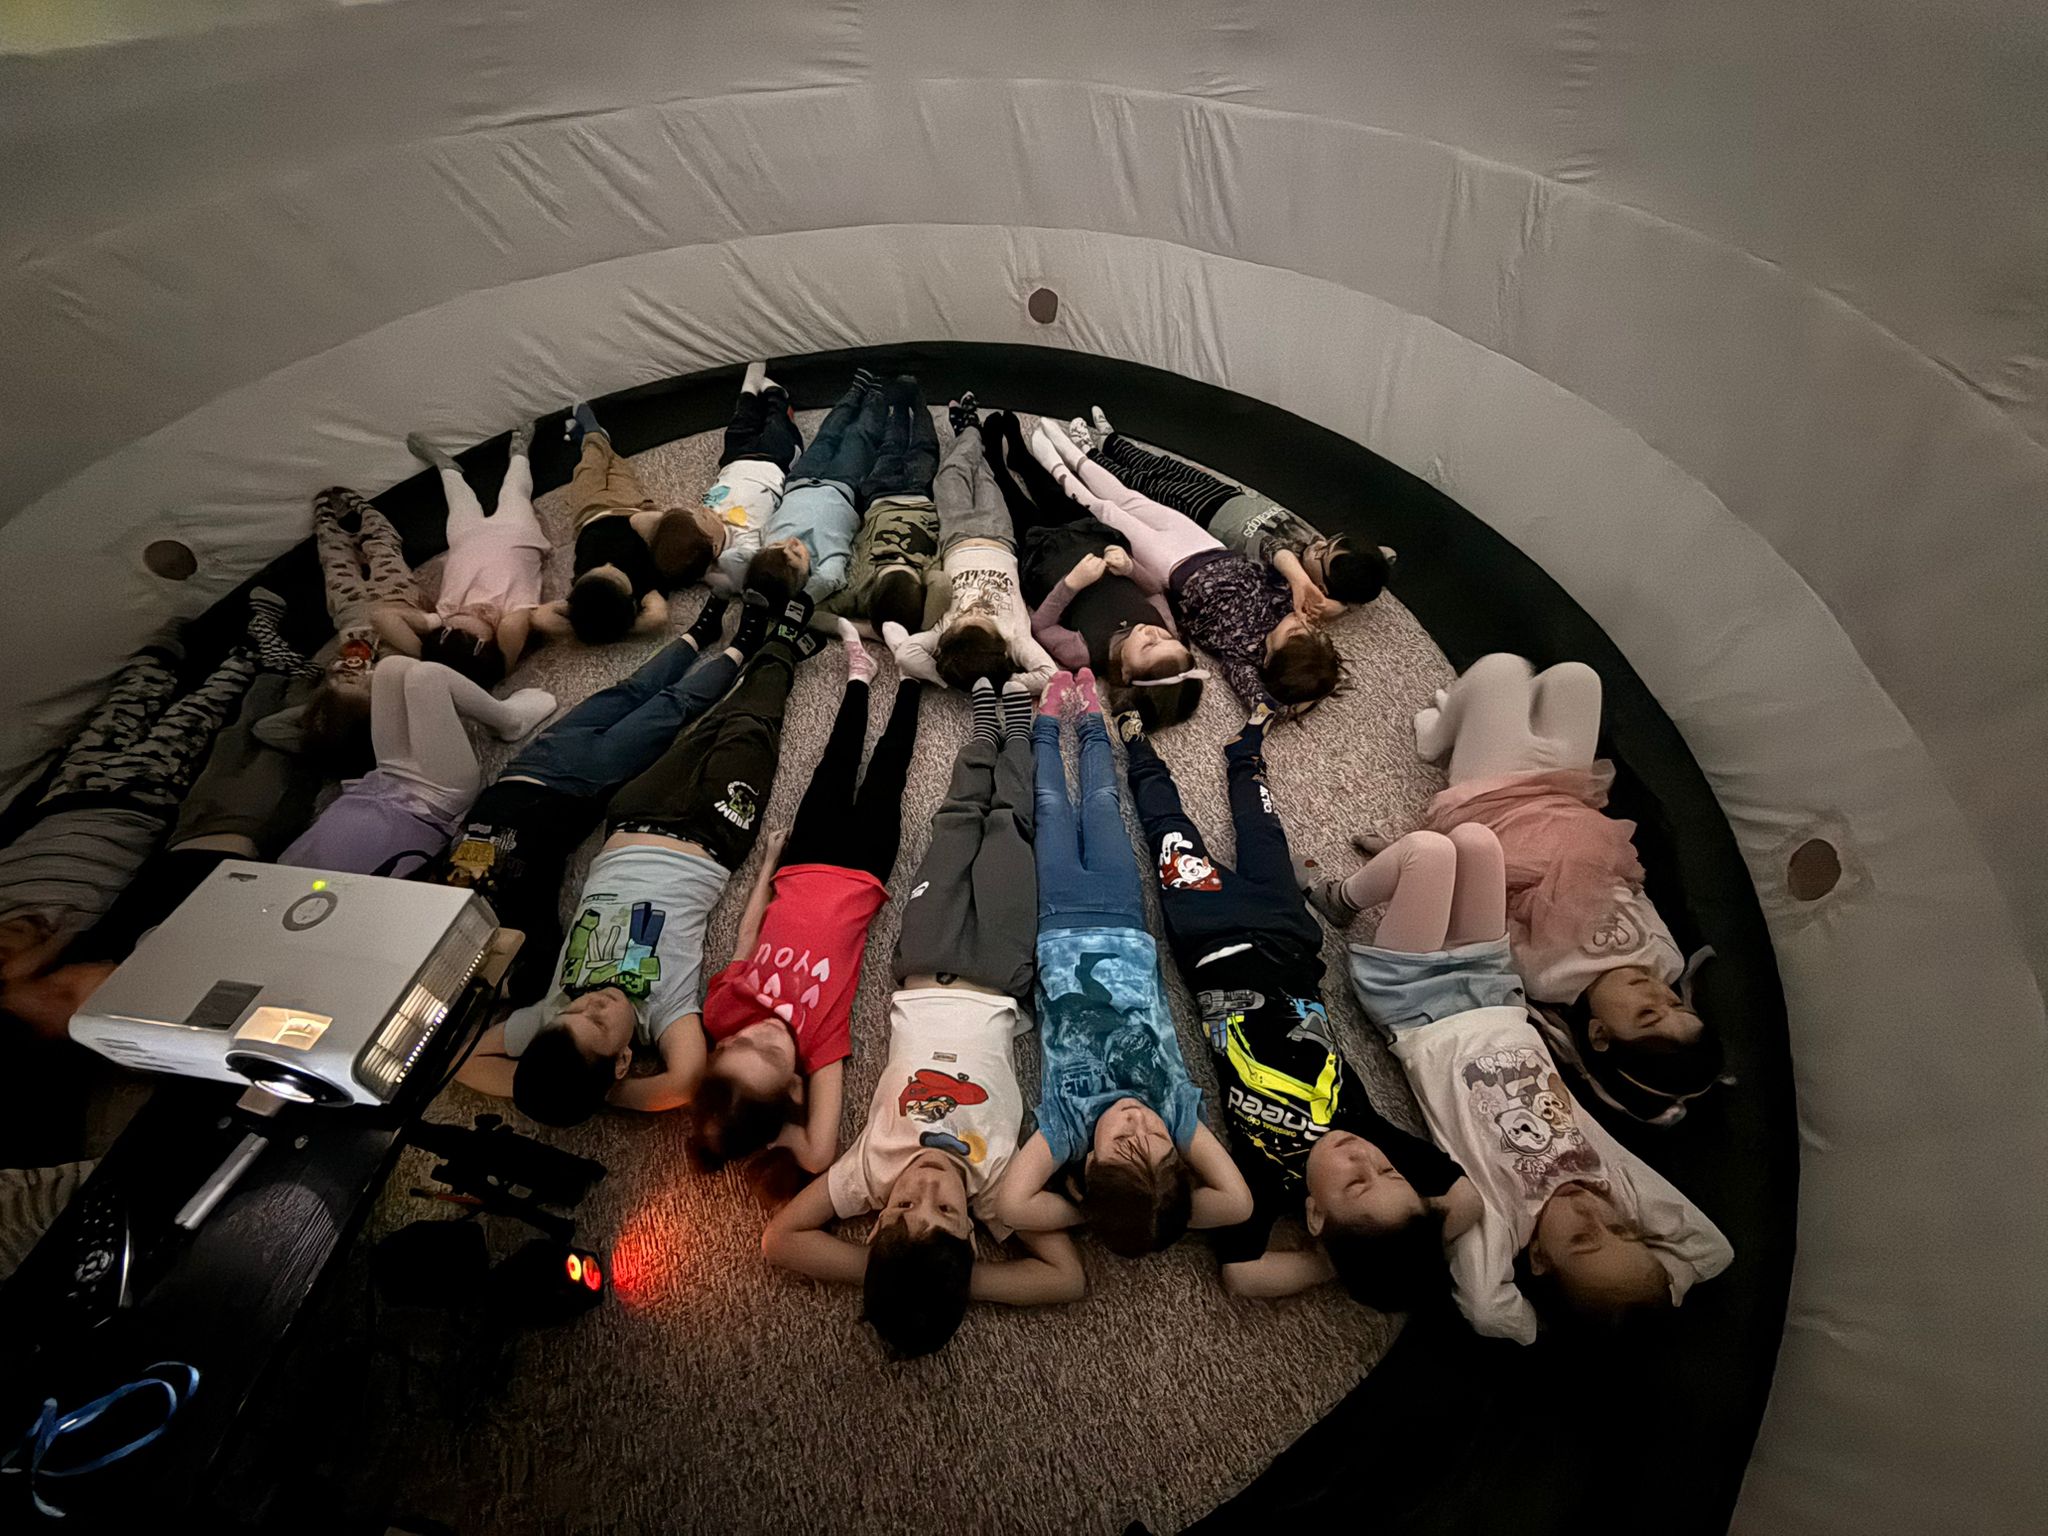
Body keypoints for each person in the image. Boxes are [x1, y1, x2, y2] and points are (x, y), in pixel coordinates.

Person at [761, 677, 1087, 1355]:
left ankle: (985, 724)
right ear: (970, 1234)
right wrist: (955, 1280)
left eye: (905, 1208)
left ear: (878, 1222)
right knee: (1010, 827)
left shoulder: (868, 1175)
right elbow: (1065, 1278)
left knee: (958, 820)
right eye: (943, 1212)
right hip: (999, 969)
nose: (927, 1187)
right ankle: (1017, 727)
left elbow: (781, 1240)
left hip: (924, 959)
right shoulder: (997, 1195)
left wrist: (889, 1271)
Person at [1313, 821, 1732, 1341]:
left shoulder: (1501, 1220)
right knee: (1476, 841)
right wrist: (1663, 1287)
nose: (1593, 1215)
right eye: (1620, 1229)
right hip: (1494, 991)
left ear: (1537, 1258)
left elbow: (1488, 1308)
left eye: (1582, 1239)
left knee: (1427, 852)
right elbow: (1712, 1251)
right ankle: (1614, 1254)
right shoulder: (1618, 1183)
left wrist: (1539, 1332)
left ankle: (1340, 900)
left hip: (1418, 1007)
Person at [1122, 707, 1480, 1307]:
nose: (1365, 1160)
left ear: (1315, 1215)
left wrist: (1330, 1264)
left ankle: (1137, 746)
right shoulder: (1367, 1132)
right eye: (1388, 1172)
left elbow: (1244, 1275)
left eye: (1357, 1184)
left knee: (1167, 824)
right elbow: (1466, 1202)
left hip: (1209, 935)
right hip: (1286, 931)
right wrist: (1394, 1248)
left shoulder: (1268, 1179)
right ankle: (1245, 754)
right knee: (1264, 830)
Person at [1309, 653, 1719, 1123]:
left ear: (1599, 1033)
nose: (1655, 994)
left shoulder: (1551, 975)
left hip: (1495, 805)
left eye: (1646, 1014)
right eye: (1672, 1002)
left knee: (1500, 670)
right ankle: (1462, 724)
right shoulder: (1665, 958)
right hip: (1567, 799)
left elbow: (1476, 901)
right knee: (1577, 677)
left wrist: (1412, 861)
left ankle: (1438, 735)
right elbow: (1630, 884)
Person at [453, 596, 818, 1124]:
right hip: (710, 834)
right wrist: (604, 1094)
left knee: (697, 728)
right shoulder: (662, 1017)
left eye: (578, 1010)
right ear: (623, 1061)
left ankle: (760, 651)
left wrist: (560, 1085)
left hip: (632, 817)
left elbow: (468, 1064)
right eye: (600, 1023)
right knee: (751, 726)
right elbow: (684, 1083)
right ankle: (781, 646)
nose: (593, 1004)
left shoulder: (552, 1016)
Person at [991, 669, 1252, 1254]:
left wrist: (1098, 1212)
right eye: (1157, 1142)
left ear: (1088, 1167)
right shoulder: (1175, 1111)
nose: (1140, 1122)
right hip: (1123, 917)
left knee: (1051, 807)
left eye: (1125, 1144)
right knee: (1103, 803)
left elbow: (1013, 1205)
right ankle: (1090, 721)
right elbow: (1238, 1203)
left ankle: (1045, 723)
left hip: (1058, 919)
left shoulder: (1068, 1128)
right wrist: (1153, 1204)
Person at [427, 592, 786, 1007]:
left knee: (630, 689)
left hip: (530, 763)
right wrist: (493, 988)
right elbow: (542, 976)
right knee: (673, 706)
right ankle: (742, 646)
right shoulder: (517, 921)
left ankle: (699, 633)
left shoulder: (430, 895)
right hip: (583, 781)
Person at [688, 628, 924, 1171]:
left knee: (835, 761)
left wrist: (769, 867)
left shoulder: (723, 1013)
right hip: (864, 872)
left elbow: (747, 934)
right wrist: (777, 1135)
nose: (764, 1033)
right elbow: (819, 1156)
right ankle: (912, 681)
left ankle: (859, 676)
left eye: (741, 1045)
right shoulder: (820, 1045)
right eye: (771, 1054)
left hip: (801, 863)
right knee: (888, 770)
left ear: (719, 1050)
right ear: (795, 1086)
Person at [0, 626, 258, 1036]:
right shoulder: (80, 925)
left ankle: (164, 652)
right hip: (143, 801)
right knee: (192, 718)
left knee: (119, 713)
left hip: (68, 797)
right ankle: (245, 655)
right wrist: (29, 965)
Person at [1027, 423, 1341, 712]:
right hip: (1207, 546)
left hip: (1172, 566)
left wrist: (1298, 702)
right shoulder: (1287, 605)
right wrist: (1305, 585)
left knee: (1107, 511)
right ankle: (1075, 454)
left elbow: (1260, 704)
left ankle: (1055, 467)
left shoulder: (1242, 656)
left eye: (1296, 631)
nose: (1301, 621)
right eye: (1310, 628)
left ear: (1270, 657)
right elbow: (1274, 552)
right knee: (1130, 499)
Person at [980, 409, 1205, 731]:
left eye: (1149, 646)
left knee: (1013, 501)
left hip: (1044, 556)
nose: (1153, 632)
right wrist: (1130, 568)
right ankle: (1020, 455)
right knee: (1049, 489)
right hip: (1088, 536)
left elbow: (1041, 627)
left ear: (1125, 674)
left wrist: (1071, 584)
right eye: (1169, 639)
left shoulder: (1084, 654)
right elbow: (1154, 590)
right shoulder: (1162, 623)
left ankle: (995, 463)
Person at [1072, 406, 1393, 613]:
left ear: (1320, 586)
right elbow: (1386, 555)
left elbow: (1273, 547)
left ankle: (1089, 454)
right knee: (1163, 465)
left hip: (1202, 513)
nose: (1319, 543)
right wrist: (1343, 606)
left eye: (1322, 553)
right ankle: (1112, 442)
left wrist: (1304, 585)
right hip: (1228, 494)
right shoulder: (1331, 563)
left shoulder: (1287, 578)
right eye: (1329, 540)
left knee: (1143, 484)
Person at [274, 656, 555, 879]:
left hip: (383, 779)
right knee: (428, 676)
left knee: (392, 667)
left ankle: (491, 713)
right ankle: (509, 721)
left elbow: (263, 727)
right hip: (433, 798)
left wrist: (318, 707)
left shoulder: (280, 869)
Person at [882, 395, 1058, 694]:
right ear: (1001, 648)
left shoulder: (944, 633)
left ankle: (970, 429)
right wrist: (1004, 683)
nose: (974, 613)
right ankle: (968, 428)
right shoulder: (1015, 639)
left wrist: (943, 678)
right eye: (982, 622)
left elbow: (906, 654)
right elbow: (1049, 676)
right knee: (983, 474)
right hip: (998, 536)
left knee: (950, 474)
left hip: (956, 536)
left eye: (965, 619)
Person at [395, 419, 551, 684]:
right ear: (490, 642)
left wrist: (426, 644)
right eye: (471, 636)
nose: (457, 629)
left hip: (466, 539)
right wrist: (504, 666)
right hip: (516, 535)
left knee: (459, 502)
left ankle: (447, 468)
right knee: (515, 492)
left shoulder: (446, 612)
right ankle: (520, 453)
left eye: (449, 632)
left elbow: (382, 617)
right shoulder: (511, 614)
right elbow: (512, 629)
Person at [529, 401, 679, 645]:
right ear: (630, 600)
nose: (608, 565)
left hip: (590, 510)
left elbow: (540, 617)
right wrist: (621, 626)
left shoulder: (585, 602)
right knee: (619, 466)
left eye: (601, 571)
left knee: (589, 467)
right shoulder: (645, 586)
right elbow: (658, 617)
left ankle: (592, 434)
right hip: (631, 506)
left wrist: (587, 626)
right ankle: (593, 436)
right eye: (614, 574)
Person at [817, 376, 946, 635]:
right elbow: (942, 586)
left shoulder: (864, 589)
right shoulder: (862, 589)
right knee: (903, 447)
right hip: (894, 495)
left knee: (913, 447)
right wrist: (913, 631)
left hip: (902, 496)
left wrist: (873, 633)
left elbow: (811, 614)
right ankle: (911, 403)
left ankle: (906, 405)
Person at [751, 368, 891, 605]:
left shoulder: (768, 554)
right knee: (859, 437)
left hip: (802, 478)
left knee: (828, 434)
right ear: (805, 578)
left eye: (779, 545)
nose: (791, 542)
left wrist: (751, 590)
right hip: (843, 484)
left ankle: (855, 392)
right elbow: (829, 579)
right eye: (796, 553)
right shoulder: (826, 562)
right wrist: (803, 600)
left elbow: (735, 558)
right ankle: (876, 397)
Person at [703, 363, 806, 595]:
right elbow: (740, 575)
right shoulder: (745, 543)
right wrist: (712, 569)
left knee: (740, 424)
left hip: (734, 461)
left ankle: (749, 391)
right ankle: (776, 395)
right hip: (772, 463)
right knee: (778, 426)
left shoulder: (704, 523)